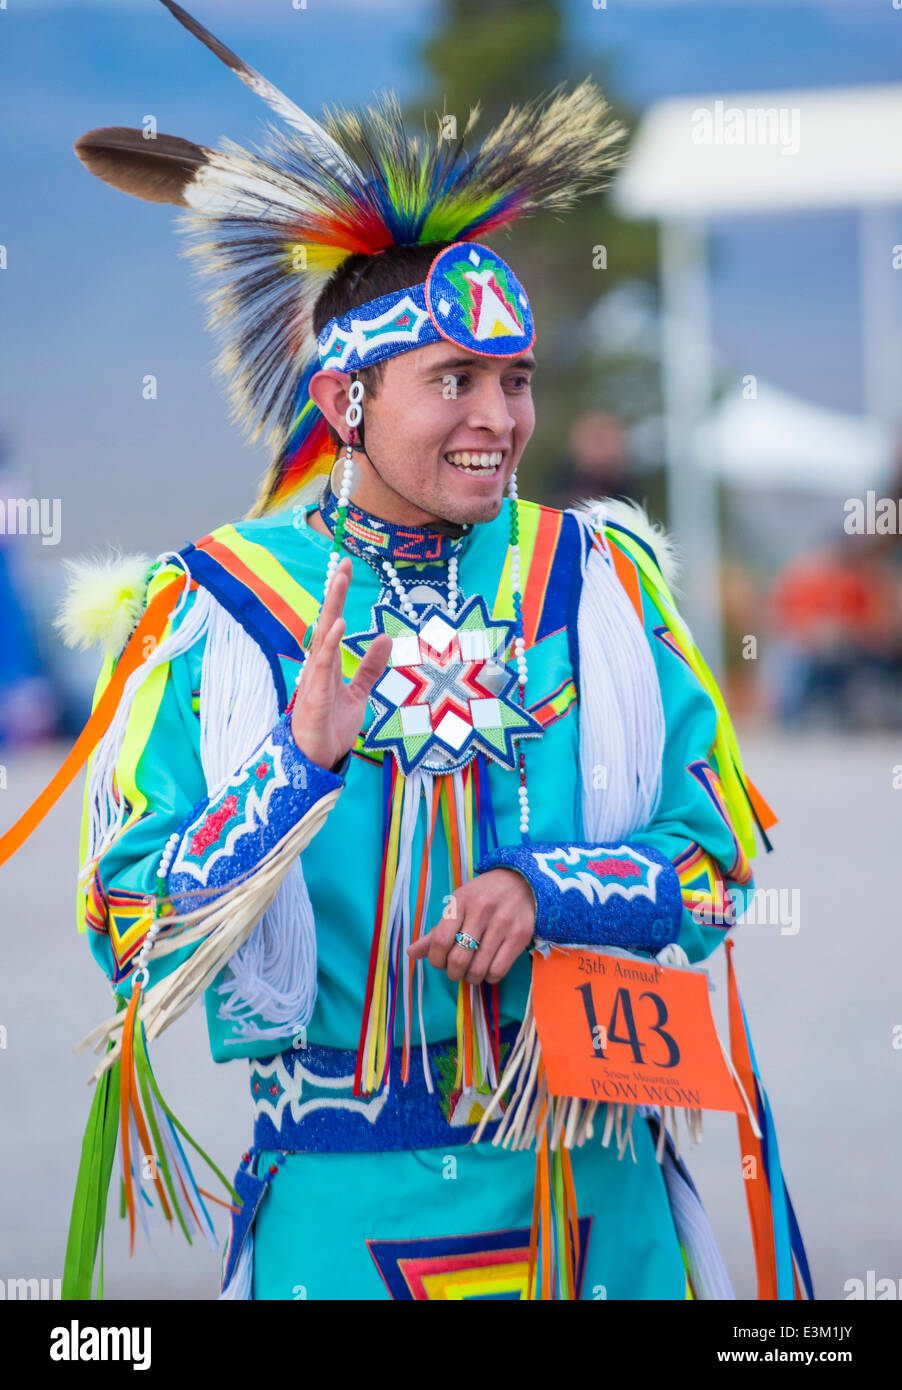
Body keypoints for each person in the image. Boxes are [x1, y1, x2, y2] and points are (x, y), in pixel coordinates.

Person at [1, 1, 810, 1302]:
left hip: (592, 1192)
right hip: (343, 1204)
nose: (499, 419)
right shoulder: (229, 605)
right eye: (453, 381)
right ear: (343, 399)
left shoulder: (592, 583)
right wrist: (293, 765)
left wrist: (553, 885)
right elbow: (131, 921)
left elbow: (715, 856)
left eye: (517, 379)